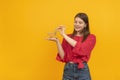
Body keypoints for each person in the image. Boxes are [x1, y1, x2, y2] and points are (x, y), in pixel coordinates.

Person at [47, 12, 96, 80]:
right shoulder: (68, 37)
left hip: (82, 70)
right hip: (68, 70)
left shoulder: (91, 37)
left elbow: (82, 50)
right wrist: (57, 41)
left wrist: (64, 35)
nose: (77, 24)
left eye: (80, 22)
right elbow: (63, 57)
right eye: (75, 22)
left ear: (85, 25)